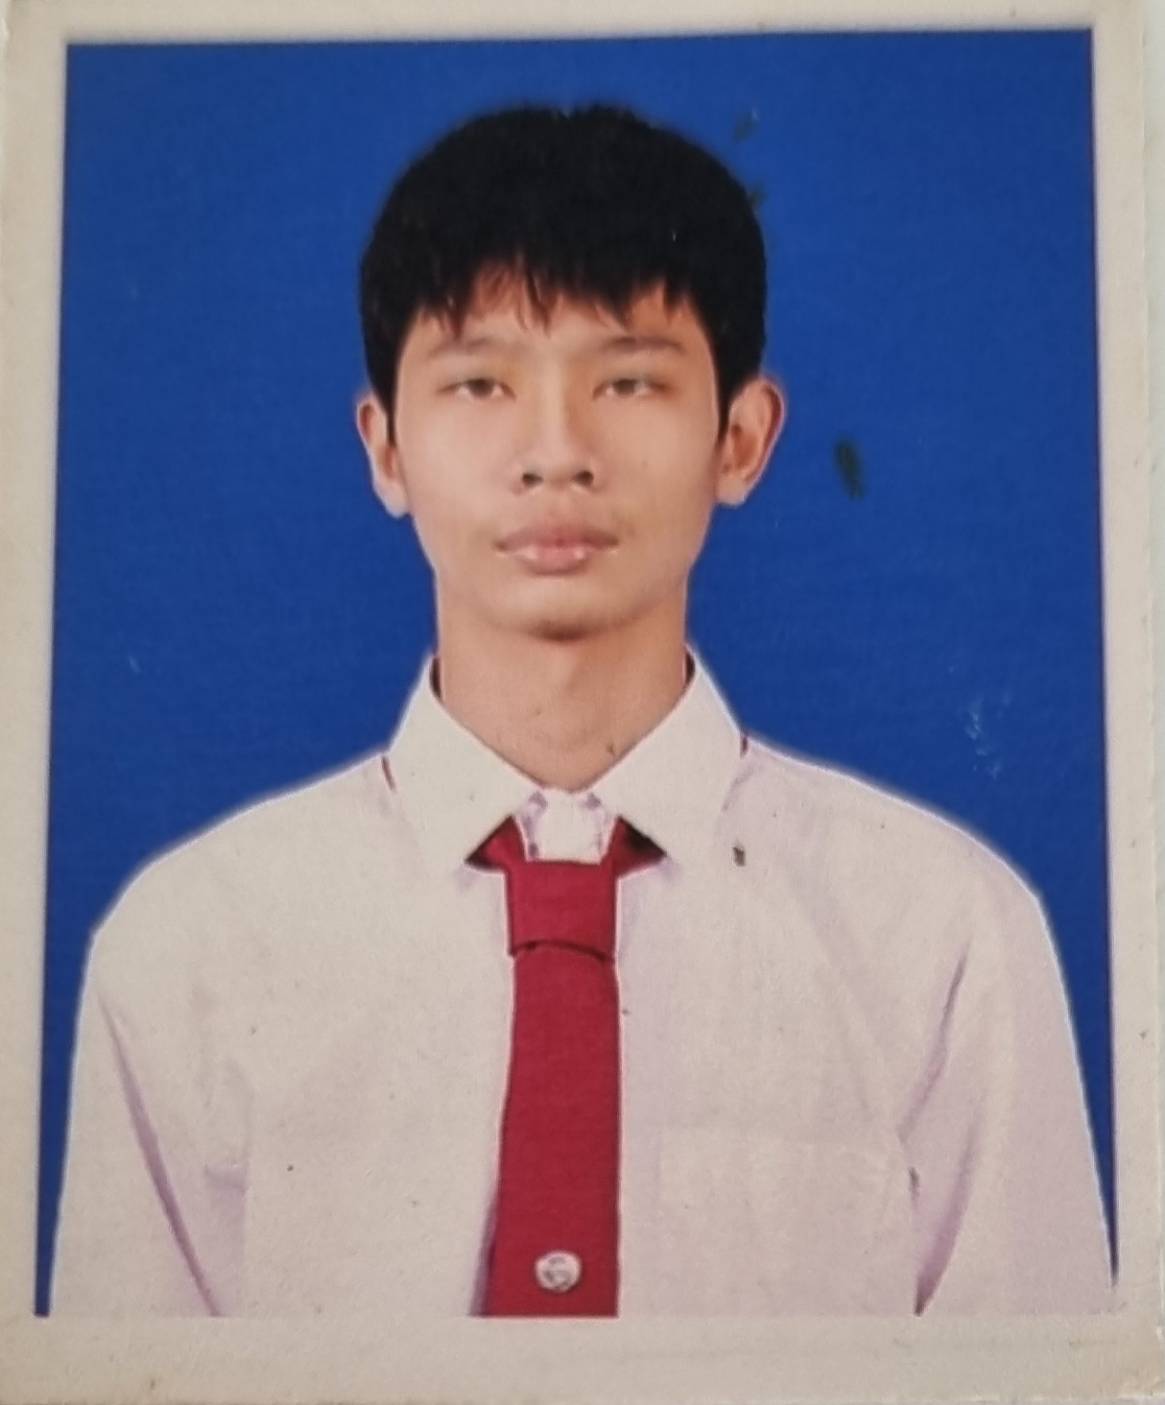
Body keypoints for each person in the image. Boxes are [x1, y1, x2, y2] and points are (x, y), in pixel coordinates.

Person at [51, 104, 1111, 1317]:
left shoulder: (944, 936)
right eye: (480, 381)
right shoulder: (190, 945)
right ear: (385, 448)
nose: (555, 452)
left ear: (742, 438)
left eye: (628, 379)